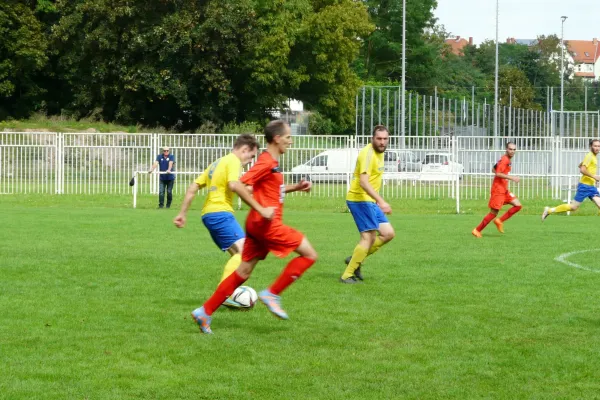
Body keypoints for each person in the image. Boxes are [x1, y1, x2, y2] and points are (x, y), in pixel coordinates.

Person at [190, 120, 318, 334]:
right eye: (288, 137)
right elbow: (238, 184)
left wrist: (296, 187)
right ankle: (272, 293)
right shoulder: (266, 162)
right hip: (267, 225)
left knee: (243, 271)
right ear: (277, 138)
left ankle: (205, 311)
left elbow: (269, 190)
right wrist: (261, 209)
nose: (291, 141)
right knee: (309, 255)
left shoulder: (270, 163)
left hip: (257, 225)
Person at [173, 134, 275, 308]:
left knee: (241, 257)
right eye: (251, 156)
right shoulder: (234, 162)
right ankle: (223, 294)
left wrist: (182, 213)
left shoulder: (217, 163)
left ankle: (228, 293)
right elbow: (234, 185)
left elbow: (193, 187)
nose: (250, 161)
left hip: (209, 214)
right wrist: (260, 208)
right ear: (244, 149)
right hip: (220, 213)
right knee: (245, 253)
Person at [340, 125, 395, 284]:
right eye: (379, 138)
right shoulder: (368, 154)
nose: (382, 142)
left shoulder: (380, 153)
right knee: (368, 237)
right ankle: (347, 275)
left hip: (369, 200)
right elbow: (363, 183)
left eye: (385, 139)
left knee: (388, 234)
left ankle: (357, 259)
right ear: (372, 138)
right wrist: (381, 201)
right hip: (359, 199)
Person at [472, 142, 522, 238]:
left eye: (514, 149)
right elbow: (498, 173)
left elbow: (493, 169)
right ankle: (477, 230)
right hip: (498, 191)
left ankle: (499, 221)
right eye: (510, 149)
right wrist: (512, 178)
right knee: (493, 213)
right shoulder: (505, 160)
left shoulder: (506, 159)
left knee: (518, 205)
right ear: (506, 149)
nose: (512, 151)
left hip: (504, 190)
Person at [542, 139, 600, 220]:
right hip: (585, 187)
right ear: (591, 146)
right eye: (595, 146)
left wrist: (584, 166)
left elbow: (580, 166)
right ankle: (549, 210)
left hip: (591, 187)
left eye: (598, 146)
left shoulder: (592, 156)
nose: (597, 148)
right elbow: (582, 169)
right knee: (573, 207)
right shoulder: (590, 156)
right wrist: (594, 177)